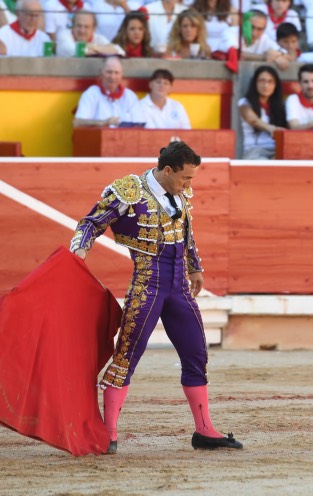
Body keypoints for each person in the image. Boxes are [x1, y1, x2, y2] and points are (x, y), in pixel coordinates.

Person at [70, 141, 243, 454]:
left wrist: (194, 268)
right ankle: (108, 433)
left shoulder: (180, 192)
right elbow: (92, 221)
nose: (189, 184)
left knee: (196, 355)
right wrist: (79, 249)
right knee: (125, 359)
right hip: (147, 286)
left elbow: (186, 231)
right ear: (167, 170)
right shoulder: (129, 190)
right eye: (185, 178)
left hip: (178, 287)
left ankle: (204, 430)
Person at [73, 56, 140, 127]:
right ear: (101, 73)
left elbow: (139, 125)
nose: (112, 77)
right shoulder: (92, 93)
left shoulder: (130, 96)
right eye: (109, 72)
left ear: (121, 75)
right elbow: (77, 123)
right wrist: (104, 122)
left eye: (116, 73)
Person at [238, 65, 288, 159]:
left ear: (275, 85)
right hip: (255, 150)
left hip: (277, 149)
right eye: (262, 81)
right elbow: (253, 120)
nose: (266, 86)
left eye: (270, 82)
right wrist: (271, 128)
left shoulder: (280, 105)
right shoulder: (245, 103)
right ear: (255, 83)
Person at [56, 9, 123, 57]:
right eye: (79, 26)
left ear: (93, 29)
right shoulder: (63, 35)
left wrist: (94, 48)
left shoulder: (99, 38)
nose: (82, 31)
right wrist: (101, 50)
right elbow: (75, 50)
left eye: (86, 27)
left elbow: (120, 51)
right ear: (73, 26)